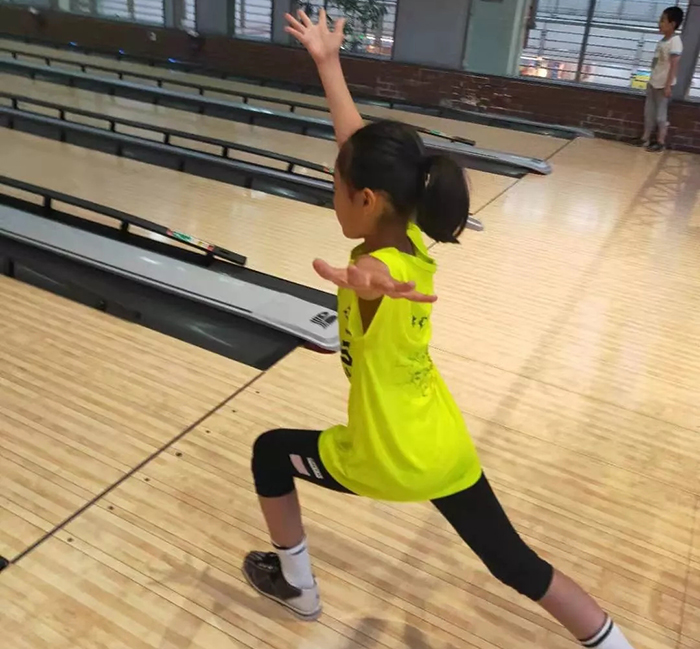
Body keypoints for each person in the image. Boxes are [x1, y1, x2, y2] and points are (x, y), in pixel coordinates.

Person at [243, 9, 638, 649]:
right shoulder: (412, 241)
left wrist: (367, 282)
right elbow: (358, 148)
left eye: (335, 186)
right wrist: (328, 64)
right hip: (442, 445)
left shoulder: (377, 268)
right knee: (517, 565)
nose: (332, 192)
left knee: (269, 451)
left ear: (366, 200)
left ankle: (298, 586)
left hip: (385, 455)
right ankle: (614, 643)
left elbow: (372, 276)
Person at [641, 6, 684, 152]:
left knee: (661, 116)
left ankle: (660, 141)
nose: (659, 23)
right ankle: (645, 138)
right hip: (654, 82)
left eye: (663, 20)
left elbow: (674, 65)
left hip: (663, 85)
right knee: (649, 113)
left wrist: (667, 85)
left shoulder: (675, 41)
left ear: (672, 24)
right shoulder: (662, 41)